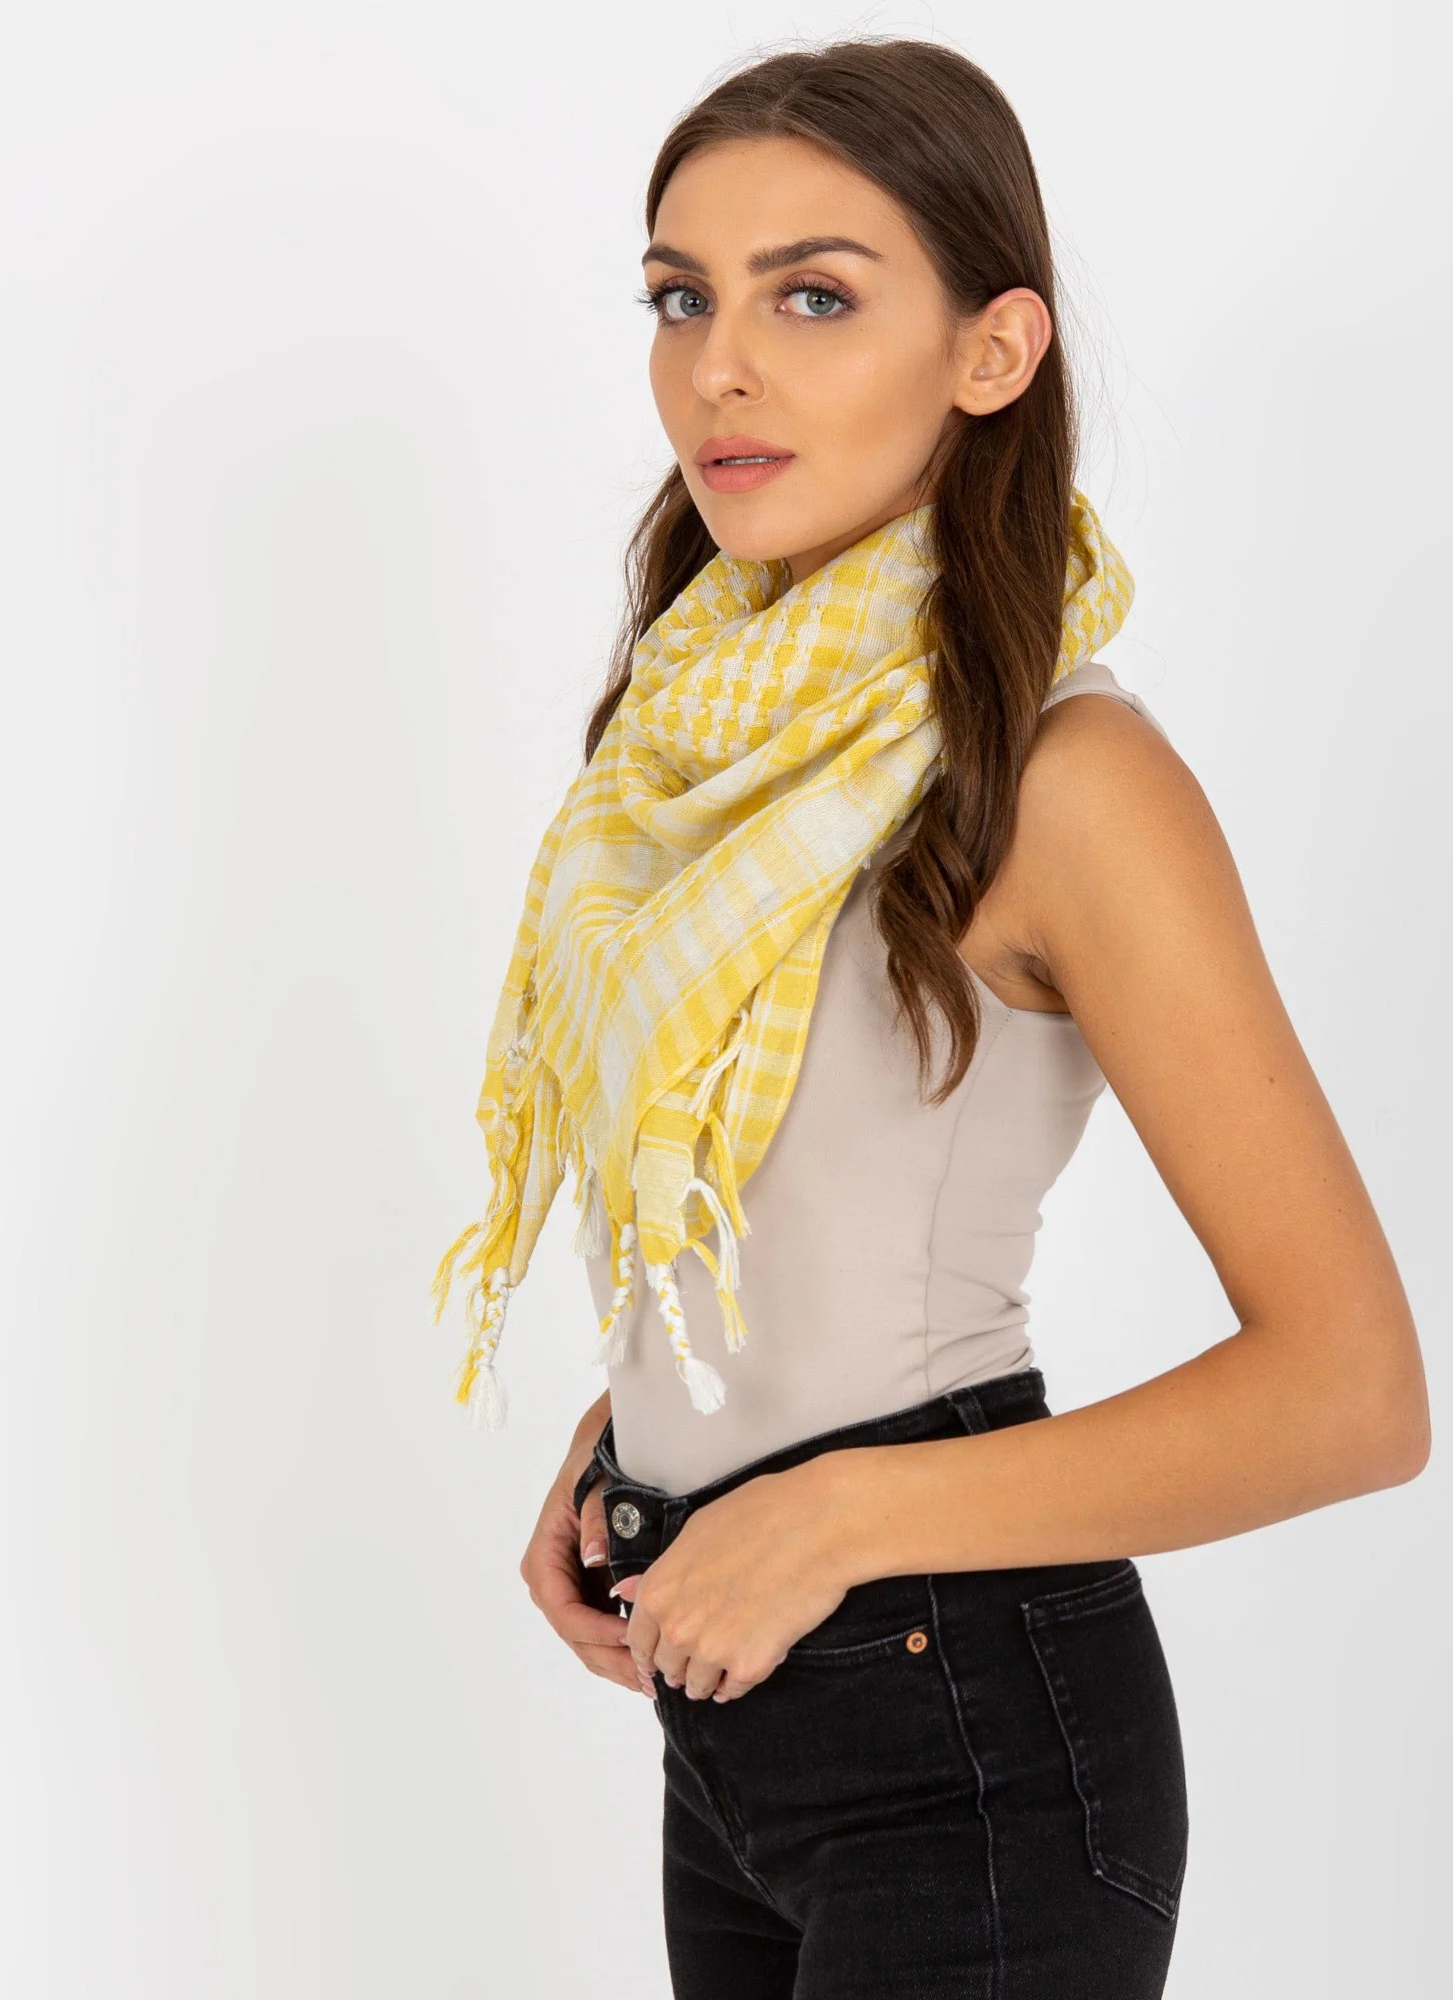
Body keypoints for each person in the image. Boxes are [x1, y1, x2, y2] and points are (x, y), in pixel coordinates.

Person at [437, 35, 1430, 1999]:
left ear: (993, 350)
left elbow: (1353, 1392)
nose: (720, 367)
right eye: (681, 299)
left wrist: (830, 1513)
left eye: (812, 296)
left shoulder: (1065, 778)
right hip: (733, 1707)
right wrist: (649, 1437)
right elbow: (811, 1200)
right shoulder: (692, 750)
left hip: (963, 1728)